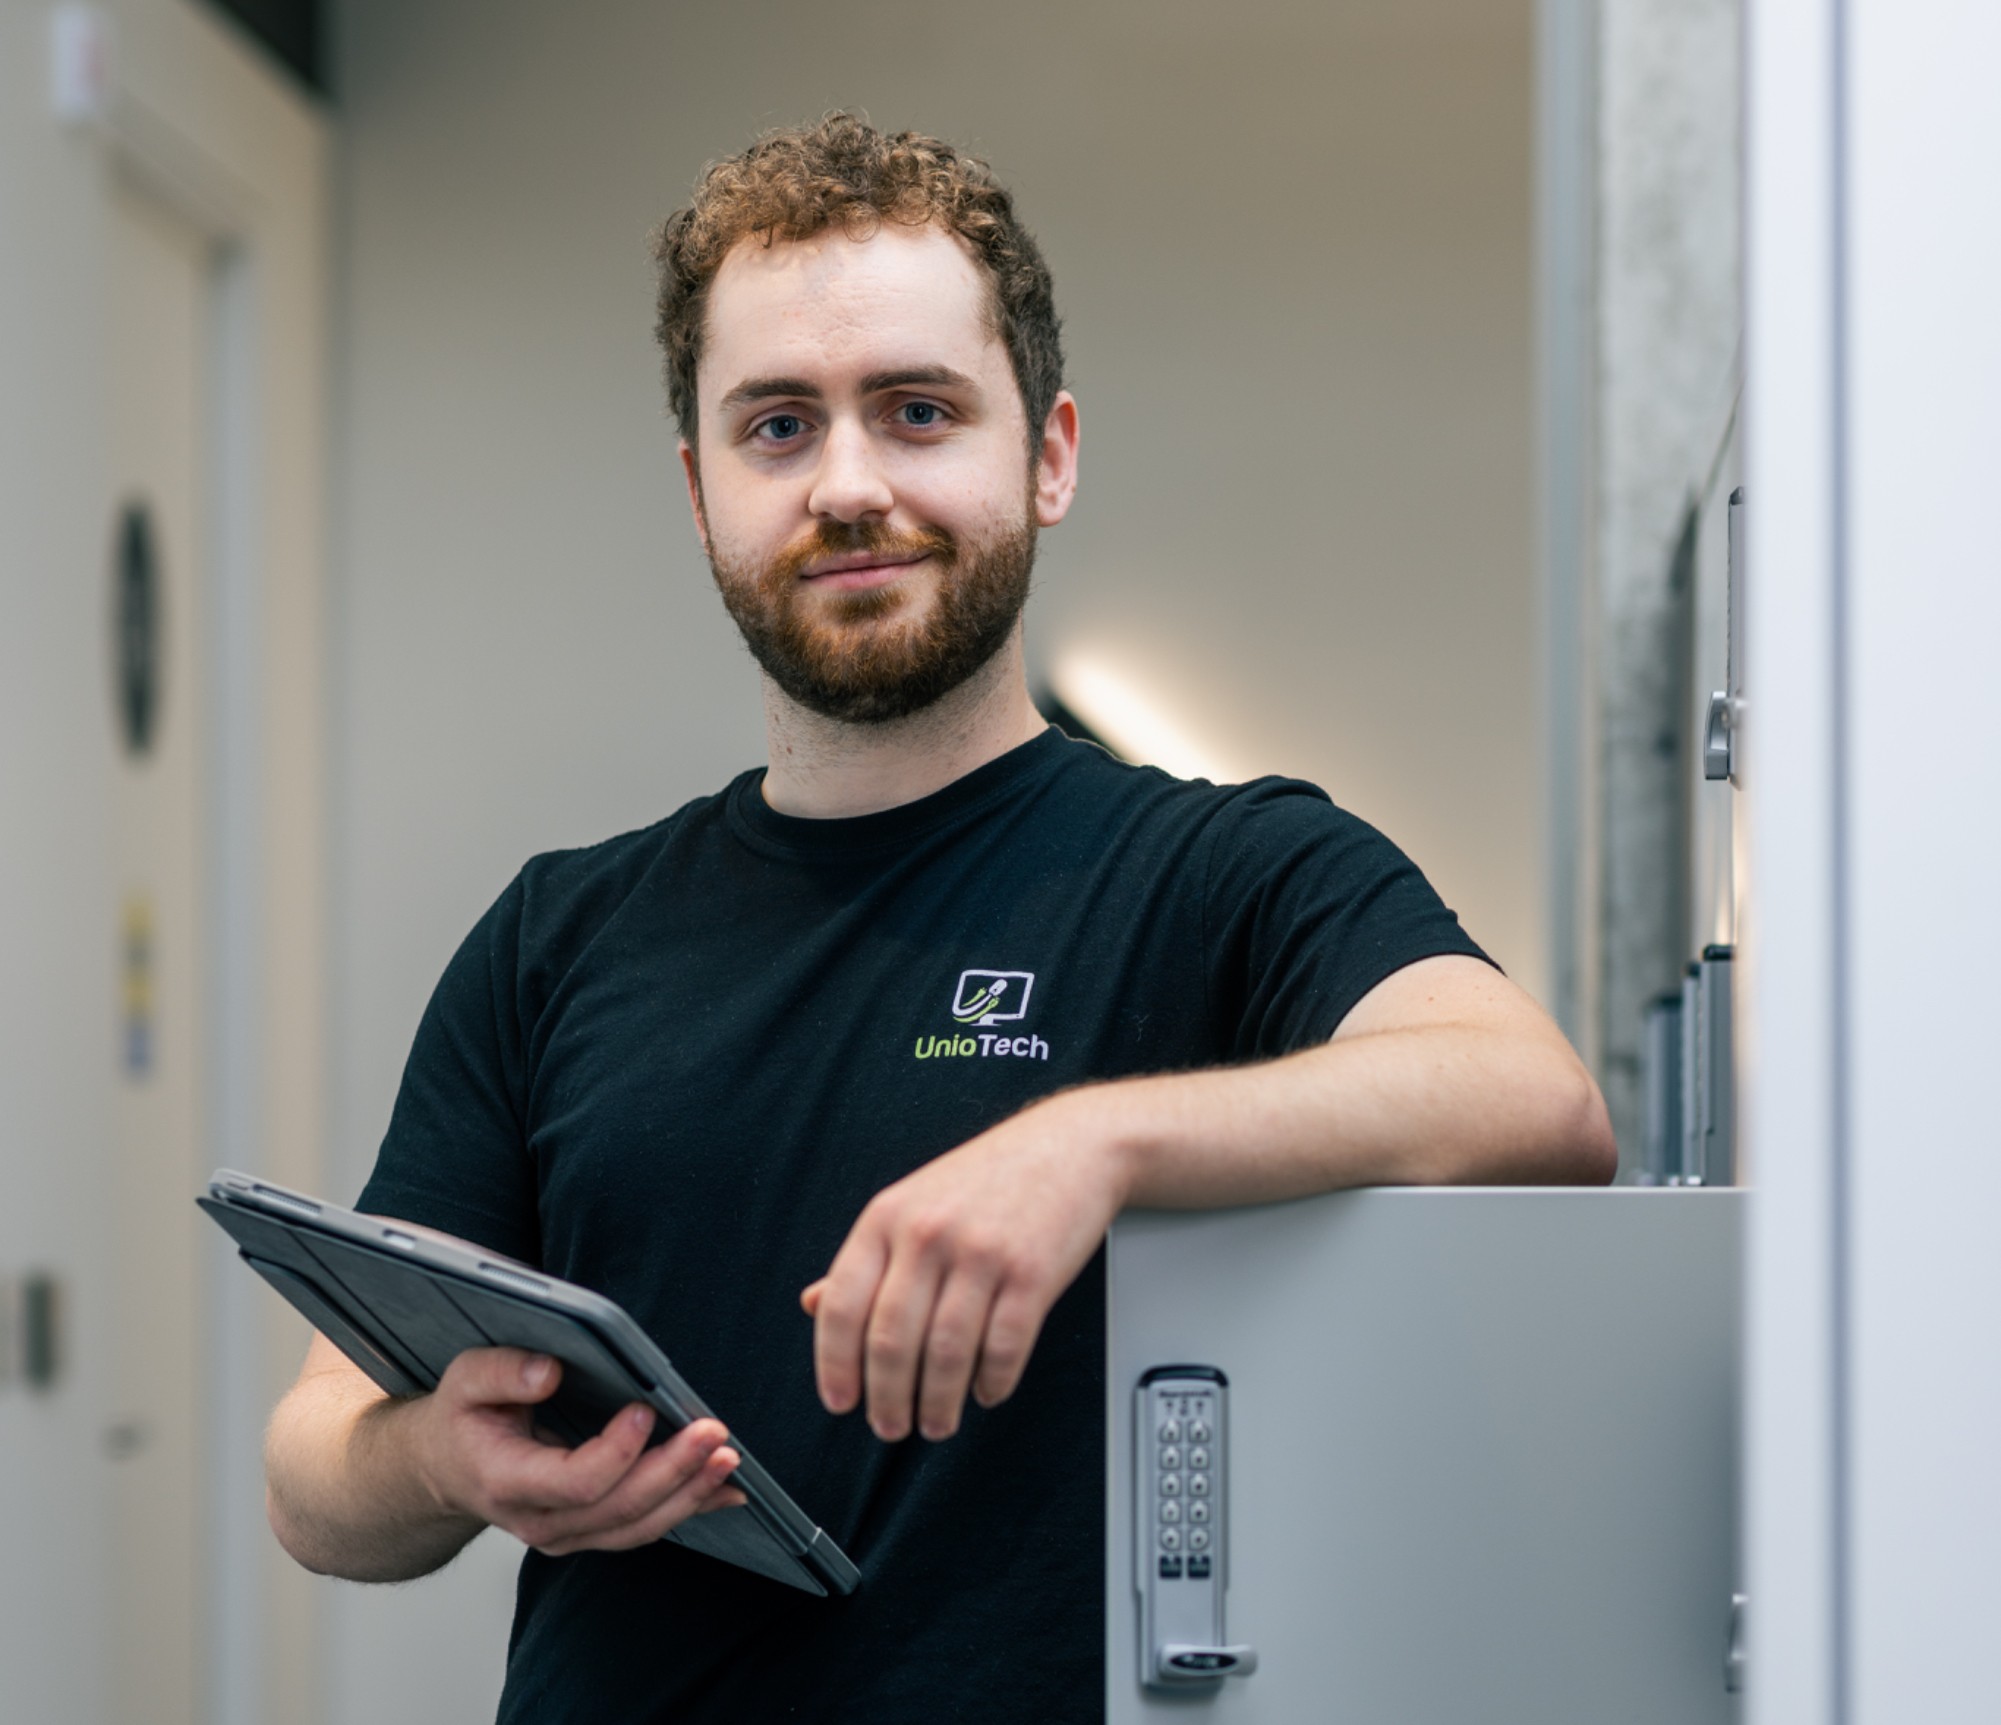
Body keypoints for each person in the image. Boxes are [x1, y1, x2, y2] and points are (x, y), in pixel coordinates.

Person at [264, 114, 1616, 1722]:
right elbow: (310, 1473)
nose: (848, 486)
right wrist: (435, 1457)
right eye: (777, 427)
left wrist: (1084, 1147)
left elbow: (1531, 1099)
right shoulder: (556, 936)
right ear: (701, 492)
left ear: (1043, 455)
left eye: (915, 412)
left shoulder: (1225, 872)